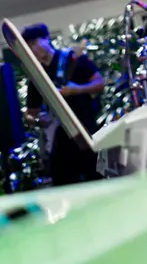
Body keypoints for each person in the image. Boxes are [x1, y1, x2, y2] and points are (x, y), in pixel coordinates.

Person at [23, 23, 104, 186]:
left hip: (87, 129)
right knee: (62, 182)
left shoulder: (73, 59)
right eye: (28, 46)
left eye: (34, 43)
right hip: (62, 134)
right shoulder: (36, 76)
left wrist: (77, 90)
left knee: (98, 178)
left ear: (46, 39)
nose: (32, 49)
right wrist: (38, 119)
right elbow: (30, 113)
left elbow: (100, 83)